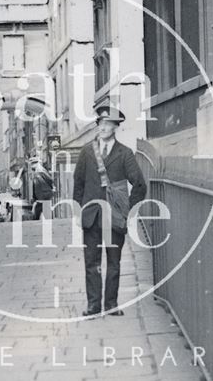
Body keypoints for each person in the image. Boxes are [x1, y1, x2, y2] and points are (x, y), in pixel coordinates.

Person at [73, 104, 147, 318]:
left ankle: (111, 305)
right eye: (100, 123)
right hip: (91, 216)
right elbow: (78, 183)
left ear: (116, 126)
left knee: (114, 262)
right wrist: (78, 211)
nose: (103, 127)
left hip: (114, 217)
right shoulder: (87, 151)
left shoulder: (125, 153)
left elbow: (139, 184)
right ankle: (94, 305)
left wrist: (129, 212)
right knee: (91, 262)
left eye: (107, 124)